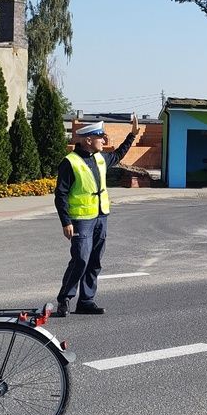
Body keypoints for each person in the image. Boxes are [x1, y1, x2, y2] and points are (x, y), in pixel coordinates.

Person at [53, 115, 139, 317]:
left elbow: (118, 155)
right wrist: (66, 221)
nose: (104, 140)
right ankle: (64, 299)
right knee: (80, 259)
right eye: (100, 136)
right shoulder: (70, 162)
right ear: (88, 140)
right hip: (81, 220)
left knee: (95, 261)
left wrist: (132, 135)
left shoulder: (100, 158)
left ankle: (86, 301)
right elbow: (61, 194)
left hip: (101, 217)